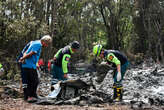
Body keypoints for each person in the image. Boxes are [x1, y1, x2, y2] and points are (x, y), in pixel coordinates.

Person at [18, 35, 52, 102]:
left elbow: (26, 51)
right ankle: (31, 96)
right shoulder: (38, 44)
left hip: (29, 65)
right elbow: (31, 53)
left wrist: (36, 64)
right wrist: (22, 58)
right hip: (29, 65)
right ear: (44, 41)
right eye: (47, 44)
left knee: (30, 81)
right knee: (34, 81)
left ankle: (29, 96)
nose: (47, 45)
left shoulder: (34, 42)